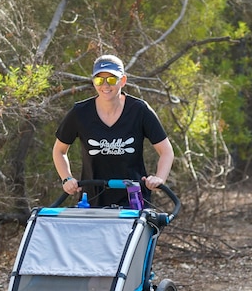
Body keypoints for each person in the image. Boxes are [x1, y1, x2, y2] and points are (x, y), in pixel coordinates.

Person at [52, 54, 174, 208]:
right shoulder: (80, 112)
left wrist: (159, 178)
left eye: (111, 79)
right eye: (99, 80)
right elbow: (59, 150)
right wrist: (66, 179)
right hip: (93, 200)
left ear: (122, 80)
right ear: (93, 81)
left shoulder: (139, 110)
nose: (105, 85)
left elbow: (166, 151)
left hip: (133, 201)